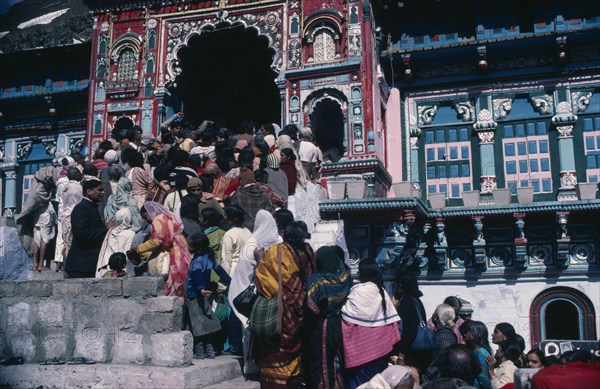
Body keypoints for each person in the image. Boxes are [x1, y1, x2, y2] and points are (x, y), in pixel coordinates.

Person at [252, 221, 316, 388]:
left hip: (280, 311)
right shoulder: (308, 251)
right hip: (300, 310)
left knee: (275, 352)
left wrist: (259, 260)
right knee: (294, 353)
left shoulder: (276, 251)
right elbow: (312, 277)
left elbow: (262, 278)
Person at [229, 210, 282, 376]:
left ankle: (252, 367)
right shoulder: (279, 241)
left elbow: (243, 272)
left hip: (254, 294)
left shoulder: (252, 243)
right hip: (275, 293)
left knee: (251, 331)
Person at [341, 259, 401, 389]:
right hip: (380, 355)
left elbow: (345, 321)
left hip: (358, 357)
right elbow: (390, 325)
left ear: (362, 273)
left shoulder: (357, 292)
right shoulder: (382, 292)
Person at [304, 245, 352, 389]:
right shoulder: (344, 276)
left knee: (320, 363)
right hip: (339, 322)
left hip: (321, 326)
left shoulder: (317, 280)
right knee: (336, 359)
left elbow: (311, 307)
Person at [184, 233, 231, 360]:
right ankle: (209, 351)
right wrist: (229, 281)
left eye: (190, 245)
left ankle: (200, 352)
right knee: (205, 321)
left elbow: (197, 274)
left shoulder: (197, 261)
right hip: (204, 295)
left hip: (194, 294)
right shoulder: (209, 258)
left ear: (197, 248)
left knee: (197, 323)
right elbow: (220, 270)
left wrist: (201, 288)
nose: (188, 247)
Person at [129, 202, 191, 296]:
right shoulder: (167, 217)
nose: (146, 220)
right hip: (179, 250)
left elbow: (157, 241)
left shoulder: (158, 219)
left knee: (171, 284)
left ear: (150, 212)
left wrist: (138, 248)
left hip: (174, 253)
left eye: (145, 217)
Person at [65, 179, 113, 278]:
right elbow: (82, 234)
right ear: (88, 191)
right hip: (81, 266)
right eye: (99, 190)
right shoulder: (82, 208)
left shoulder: (91, 207)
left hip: (87, 264)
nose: (102, 193)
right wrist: (105, 229)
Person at [16, 166, 58, 270]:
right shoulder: (47, 185)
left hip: (36, 215)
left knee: (36, 238)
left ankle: (34, 263)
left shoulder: (36, 182)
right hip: (45, 214)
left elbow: (33, 200)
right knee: (45, 239)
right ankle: (41, 264)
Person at [394, 274, 430, 372]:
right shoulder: (416, 300)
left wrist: (402, 353)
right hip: (417, 350)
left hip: (411, 350)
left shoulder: (408, 302)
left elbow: (409, 330)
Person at [96, 208, 135, 278]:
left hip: (108, 268)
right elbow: (127, 251)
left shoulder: (110, 231)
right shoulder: (131, 233)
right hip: (123, 269)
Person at [459, 320, 492, 389]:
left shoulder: (480, 353)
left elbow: (483, 380)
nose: (464, 335)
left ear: (474, 334)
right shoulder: (475, 351)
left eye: (467, 332)